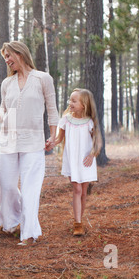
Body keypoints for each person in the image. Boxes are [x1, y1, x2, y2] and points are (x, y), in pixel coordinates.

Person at [0, 41, 59, 246]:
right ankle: (12, 221)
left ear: (20, 53)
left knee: (31, 188)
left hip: (33, 142)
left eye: (9, 56)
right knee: (8, 185)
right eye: (5, 57)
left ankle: (29, 233)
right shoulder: (7, 84)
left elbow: (52, 109)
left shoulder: (42, 79)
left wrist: (53, 137)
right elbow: (4, 111)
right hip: (8, 141)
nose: (7, 60)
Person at [54, 88, 102, 236]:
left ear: (84, 104)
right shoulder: (66, 120)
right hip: (72, 160)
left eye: (74, 101)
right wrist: (50, 143)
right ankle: (78, 224)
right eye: (70, 100)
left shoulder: (89, 122)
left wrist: (92, 155)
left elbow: (97, 141)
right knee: (77, 189)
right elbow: (58, 139)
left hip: (86, 161)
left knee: (83, 193)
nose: (71, 103)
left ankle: (80, 219)